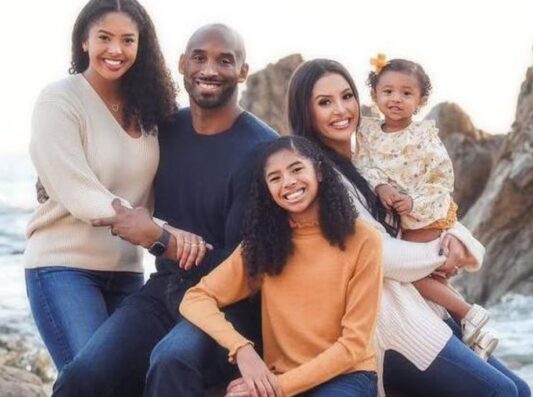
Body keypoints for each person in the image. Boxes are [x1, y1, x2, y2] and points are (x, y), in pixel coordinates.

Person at [51, 23, 277, 396]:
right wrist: (54, 179)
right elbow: (116, 168)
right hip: (165, 291)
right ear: (182, 64)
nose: (209, 69)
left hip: (232, 305)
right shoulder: (164, 129)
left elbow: (248, 271)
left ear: (242, 71)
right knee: (83, 375)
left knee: (172, 360)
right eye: (199, 58)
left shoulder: (262, 151)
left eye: (225, 60)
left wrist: (163, 241)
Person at [287, 58, 531, 397]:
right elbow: (379, 253)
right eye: (325, 102)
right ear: (306, 112)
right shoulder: (322, 176)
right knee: (501, 392)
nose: (341, 109)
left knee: (520, 389)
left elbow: (428, 210)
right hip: (392, 324)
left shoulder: (365, 163)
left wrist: (458, 241)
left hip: (421, 308)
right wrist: (439, 255)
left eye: (347, 96)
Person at [24, 0, 205, 371]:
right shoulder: (59, 99)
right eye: (104, 37)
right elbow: (78, 192)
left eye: (128, 40)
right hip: (63, 268)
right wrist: (162, 232)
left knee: (132, 381)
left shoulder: (148, 108)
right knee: (92, 381)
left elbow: (162, 184)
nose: (116, 50)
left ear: (141, 46)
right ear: (84, 42)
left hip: (128, 271)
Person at [181, 136, 382, 397]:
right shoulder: (265, 243)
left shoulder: (364, 240)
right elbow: (196, 298)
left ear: (319, 172)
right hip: (280, 376)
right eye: (275, 178)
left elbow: (353, 345)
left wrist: (276, 388)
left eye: (297, 169)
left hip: (346, 377)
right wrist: (242, 350)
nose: (288, 182)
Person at [353, 54, 498, 358]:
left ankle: (469, 313)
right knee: (431, 281)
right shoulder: (367, 133)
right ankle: (473, 333)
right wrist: (381, 186)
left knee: (414, 276)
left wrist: (413, 201)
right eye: (388, 91)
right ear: (375, 95)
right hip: (402, 221)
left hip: (425, 215)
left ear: (420, 101)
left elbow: (441, 179)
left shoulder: (423, 136)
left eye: (407, 93)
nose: (396, 99)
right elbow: (365, 166)